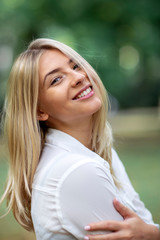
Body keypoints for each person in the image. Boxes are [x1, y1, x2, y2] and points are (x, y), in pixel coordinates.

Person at [0, 38, 159, 240]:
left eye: (75, 66)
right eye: (56, 80)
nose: (78, 77)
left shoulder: (100, 149)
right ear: (39, 111)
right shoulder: (77, 170)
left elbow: (143, 221)